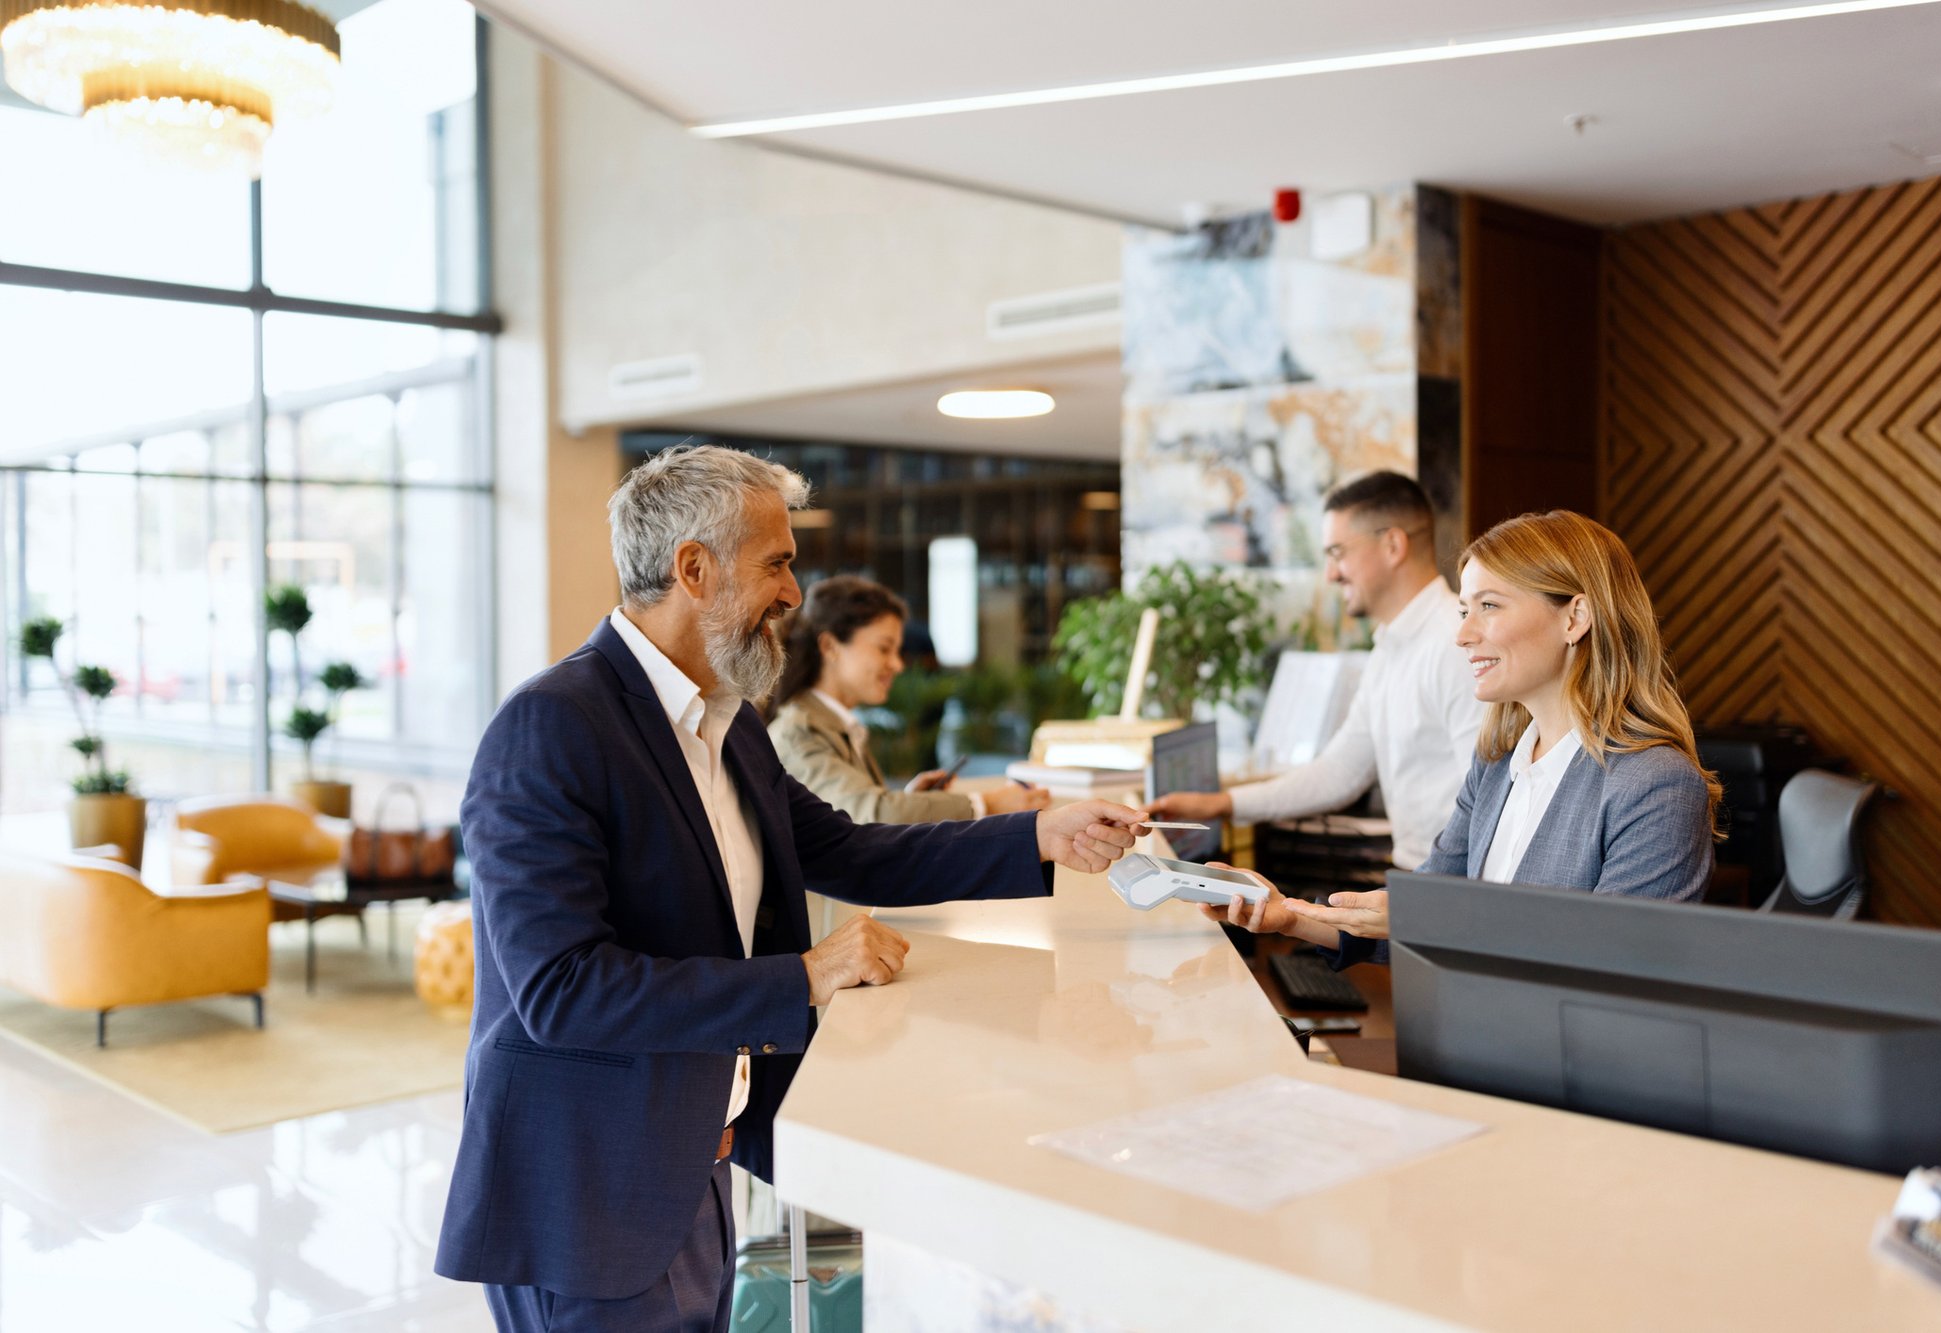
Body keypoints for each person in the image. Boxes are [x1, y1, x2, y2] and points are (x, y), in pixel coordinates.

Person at [434, 445, 1143, 1331]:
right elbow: (561, 989)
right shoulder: (550, 726)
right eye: (777, 562)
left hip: (695, 1151)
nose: (795, 593)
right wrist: (806, 974)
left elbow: (854, 852)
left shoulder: (725, 721)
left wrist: (1039, 834)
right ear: (694, 568)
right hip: (589, 1187)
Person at [1204, 509, 1721, 967]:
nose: (1463, 634)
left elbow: (1615, 963)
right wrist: (1287, 916)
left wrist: (1430, 919)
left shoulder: (1656, 785)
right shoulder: (1497, 765)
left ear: (1575, 617)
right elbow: (1417, 915)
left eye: (1490, 606)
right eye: (1463, 610)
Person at [1146, 471, 1481, 872]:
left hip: (1444, 890)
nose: (1330, 574)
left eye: (1338, 552)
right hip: (1415, 885)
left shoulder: (1454, 643)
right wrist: (1224, 804)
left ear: (1393, 545)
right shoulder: (1391, 647)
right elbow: (1340, 772)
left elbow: (1483, 803)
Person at [766, 574, 1049, 823]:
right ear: (830, 646)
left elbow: (852, 816)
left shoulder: (834, 724)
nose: (898, 665)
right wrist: (987, 804)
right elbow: (873, 814)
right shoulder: (799, 732)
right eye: (884, 648)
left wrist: (912, 801)